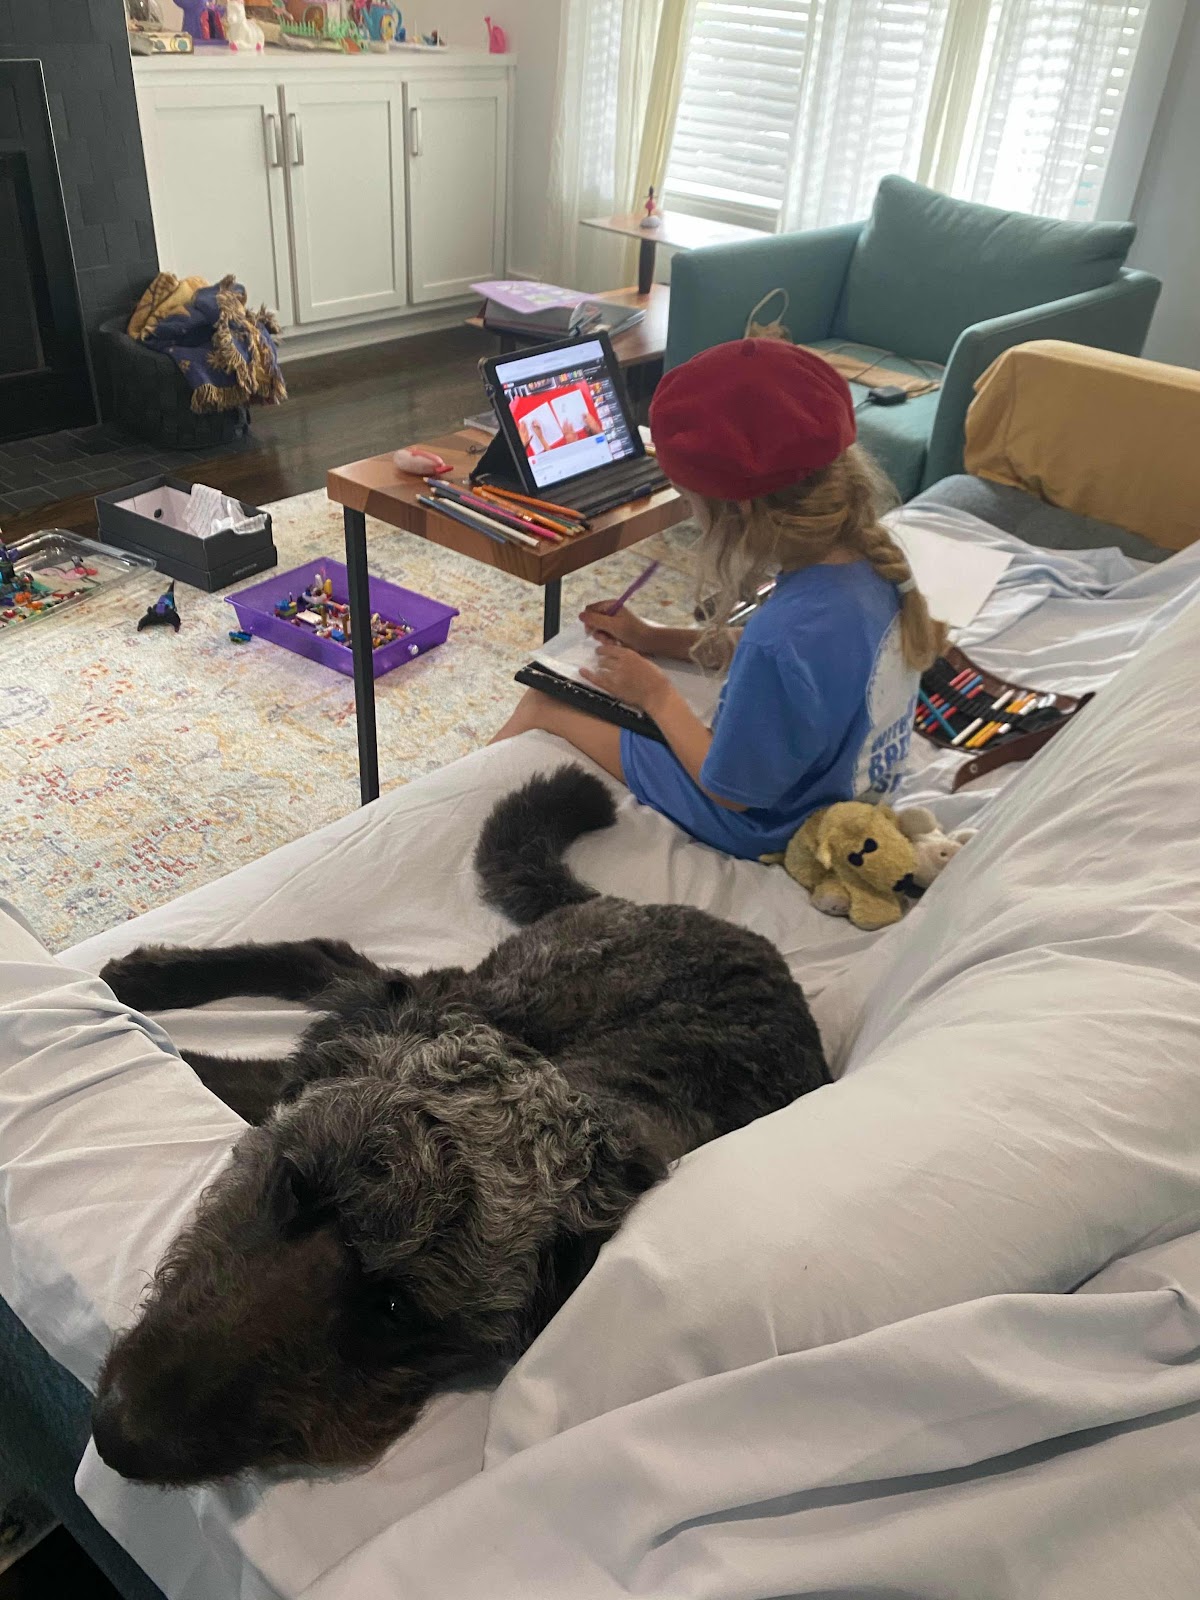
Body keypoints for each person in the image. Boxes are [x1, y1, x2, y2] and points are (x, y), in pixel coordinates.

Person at [491, 338, 946, 859]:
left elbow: (729, 793)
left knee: (545, 702)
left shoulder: (782, 637)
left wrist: (655, 695)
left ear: (737, 513)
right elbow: (780, 659)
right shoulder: (867, 567)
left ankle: (449, 820)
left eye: (690, 502)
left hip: (767, 827)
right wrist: (650, 638)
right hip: (839, 797)